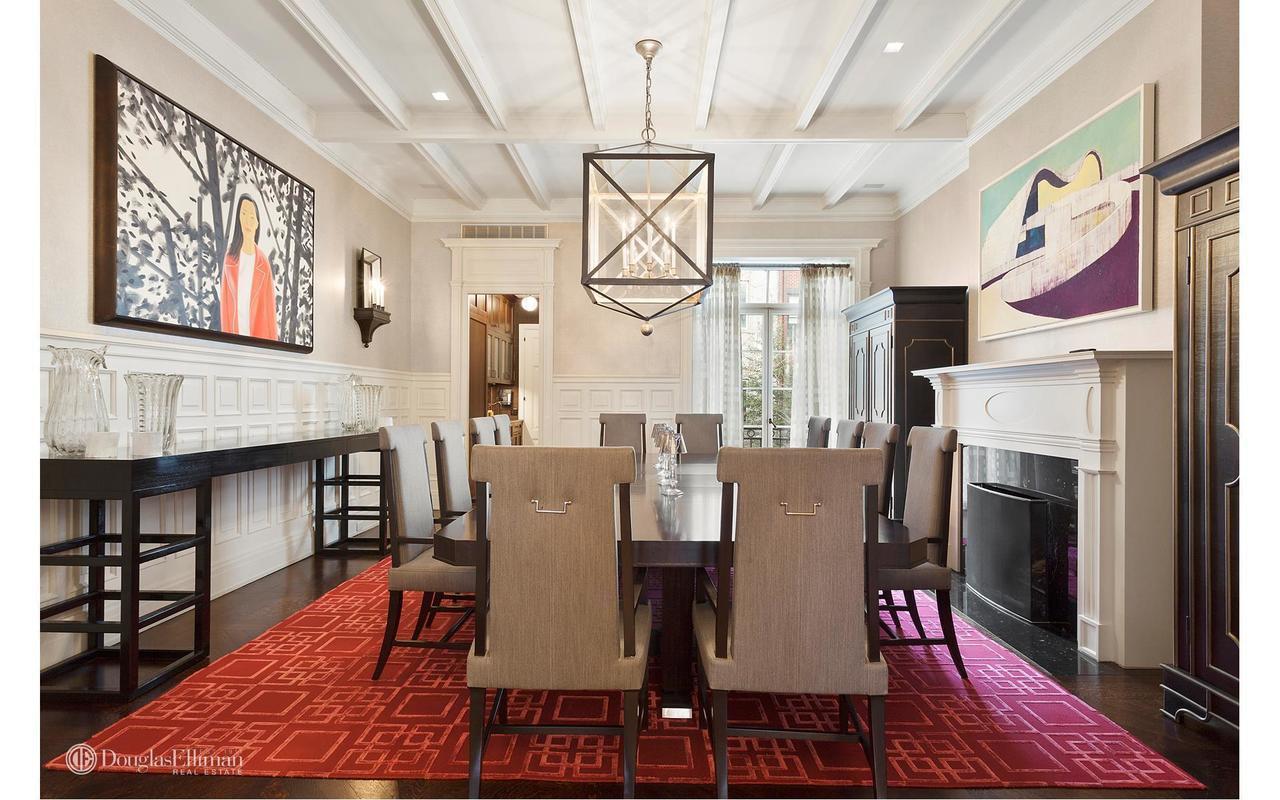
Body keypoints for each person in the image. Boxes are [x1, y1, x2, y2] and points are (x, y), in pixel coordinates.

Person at [219, 193, 279, 340]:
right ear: (238, 218)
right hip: (234, 341)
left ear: (257, 223)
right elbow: (225, 307)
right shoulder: (230, 258)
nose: (247, 221)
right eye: (243, 214)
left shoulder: (263, 263)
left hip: (259, 341)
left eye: (252, 217)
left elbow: (270, 312)